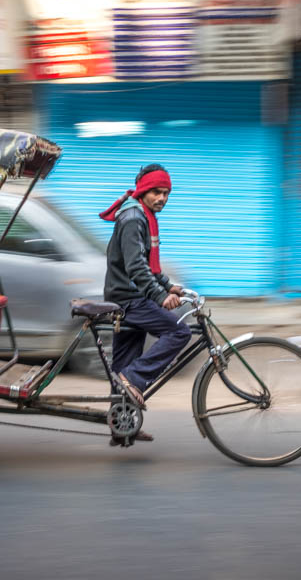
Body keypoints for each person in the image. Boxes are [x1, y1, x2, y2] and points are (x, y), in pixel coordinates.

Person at [99, 164, 191, 438]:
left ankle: (122, 425)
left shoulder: (143, 215)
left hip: (129, 295)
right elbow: (136, 267)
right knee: (178, 331)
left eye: (166, 193)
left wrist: (168, 286)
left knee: (123, 364)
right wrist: (161, 297)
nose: (162, 198)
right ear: (143, 190)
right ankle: (135, 379)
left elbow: (150, 268)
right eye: (156, 192)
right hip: (129, 299)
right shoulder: (133, 218)